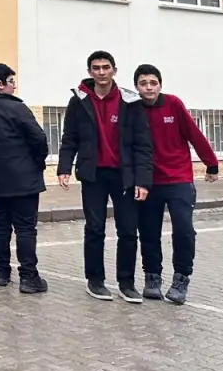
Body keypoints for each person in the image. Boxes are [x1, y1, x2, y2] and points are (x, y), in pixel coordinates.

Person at [57, 50, 153, 303]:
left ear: (114, 71)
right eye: (96, 68)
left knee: (128, 231)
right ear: (89, 72)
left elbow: (143, 145)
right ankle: (95, 281)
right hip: (93, 175)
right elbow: (70, 137)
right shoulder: (79, 100)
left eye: (106, 67)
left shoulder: (130, 101)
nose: (101, 72)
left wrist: (143, 181)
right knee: (95, 229)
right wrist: (64, 167)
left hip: (124, 176)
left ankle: (126, 283)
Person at [133, 63, 219, 305]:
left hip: (178, 179)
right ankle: (152, 278)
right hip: (148, 182)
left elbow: (194, 134)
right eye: (143, 83)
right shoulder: (133, 109)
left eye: (153, 83)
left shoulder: (173, 104)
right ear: (136, 87)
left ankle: (181, 278)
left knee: (183, 230)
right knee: (149, 232)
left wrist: (211, 163)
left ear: (160, 85)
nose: (149, 87)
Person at [0, 63, 48, 294]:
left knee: (0, 225)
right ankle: (28, 276)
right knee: (25, 228)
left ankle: (1, 272)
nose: (14, 86)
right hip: (25, 180)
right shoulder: (18, 109)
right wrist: (36, 163)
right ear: (0, 84)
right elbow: (39, 139)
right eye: (11, 81)